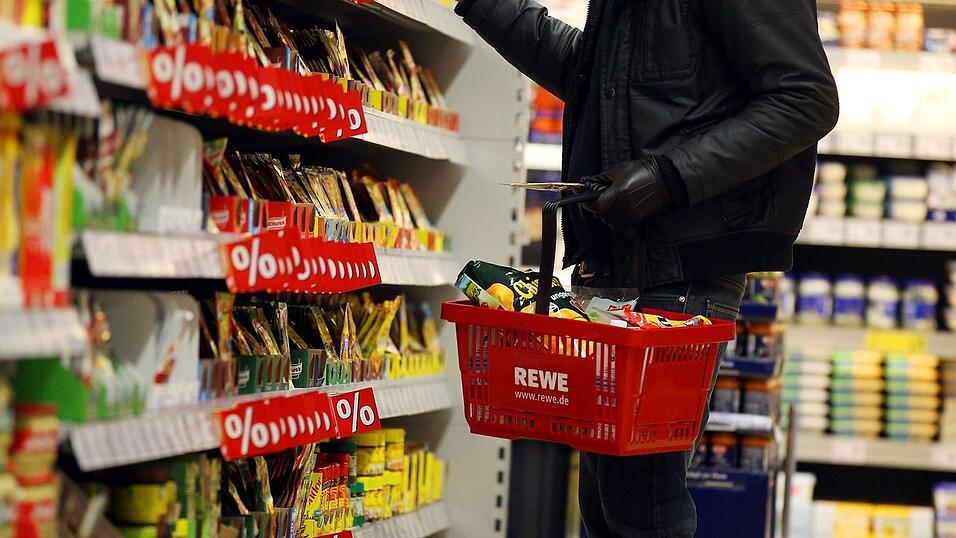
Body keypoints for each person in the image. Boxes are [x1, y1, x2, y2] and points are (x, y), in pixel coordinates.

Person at [453, 0, 840, 535]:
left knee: (642, 507)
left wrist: (667, 177)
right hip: (620, 258)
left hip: (681, 266)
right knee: (606, 506)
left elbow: (807, 99)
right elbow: (595, 80)